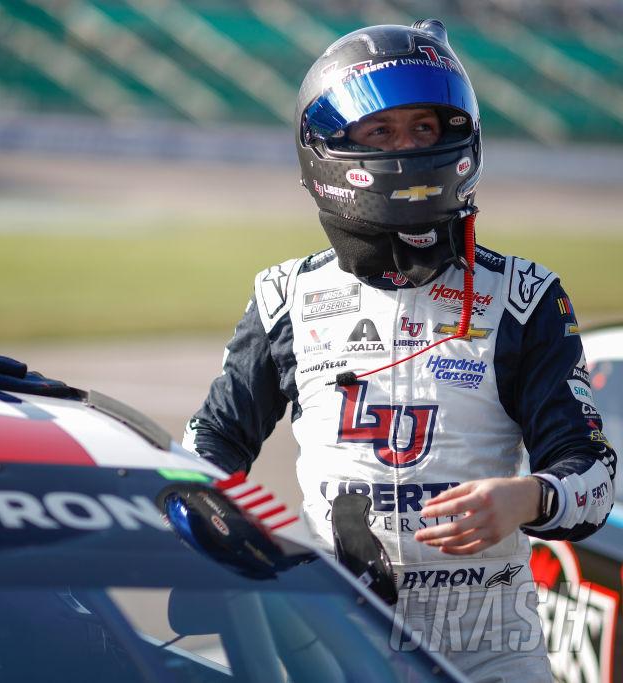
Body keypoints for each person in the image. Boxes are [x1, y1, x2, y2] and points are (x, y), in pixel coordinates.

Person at [182, 19, 616, 681]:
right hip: (334, 648)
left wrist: (526, 497)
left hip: (490, 651)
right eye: (380, 132)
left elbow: (592, 477)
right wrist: (213, 537)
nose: (408, 150)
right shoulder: (286, 297)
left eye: (424, 129)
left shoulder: (524, 296)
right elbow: (210, 445)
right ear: (327, 147)